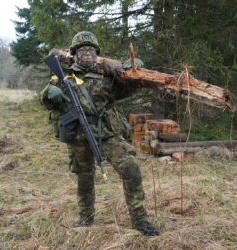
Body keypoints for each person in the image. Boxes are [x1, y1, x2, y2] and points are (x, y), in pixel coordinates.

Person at [41, 31, 159, 236]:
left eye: (91, 50)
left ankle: (140, 220)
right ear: (74, 54)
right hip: (78, 136)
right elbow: (46, 101)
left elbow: (129, 87)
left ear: (97, 54)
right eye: (82, 50)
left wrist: (134, 71)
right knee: (84, 178)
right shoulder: (62, 76)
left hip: (107, 135)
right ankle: (86, 218)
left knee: (131, 170)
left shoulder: (107, 76)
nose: (87, 54)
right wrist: (49, 94)